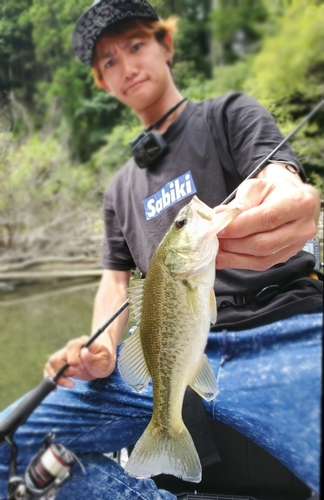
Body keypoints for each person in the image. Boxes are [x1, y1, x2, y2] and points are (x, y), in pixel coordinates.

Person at [0, 0, 322, 498]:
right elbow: (116, 281)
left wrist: (289, 196)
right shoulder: (119, 189)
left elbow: (278, 176)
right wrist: (102, 346)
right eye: (108, 61)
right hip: (159, 358)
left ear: (165, 45)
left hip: (284, 327)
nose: (126, 67)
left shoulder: (229, 114)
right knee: (6, 446)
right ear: (101, 82)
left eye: (135, 45)